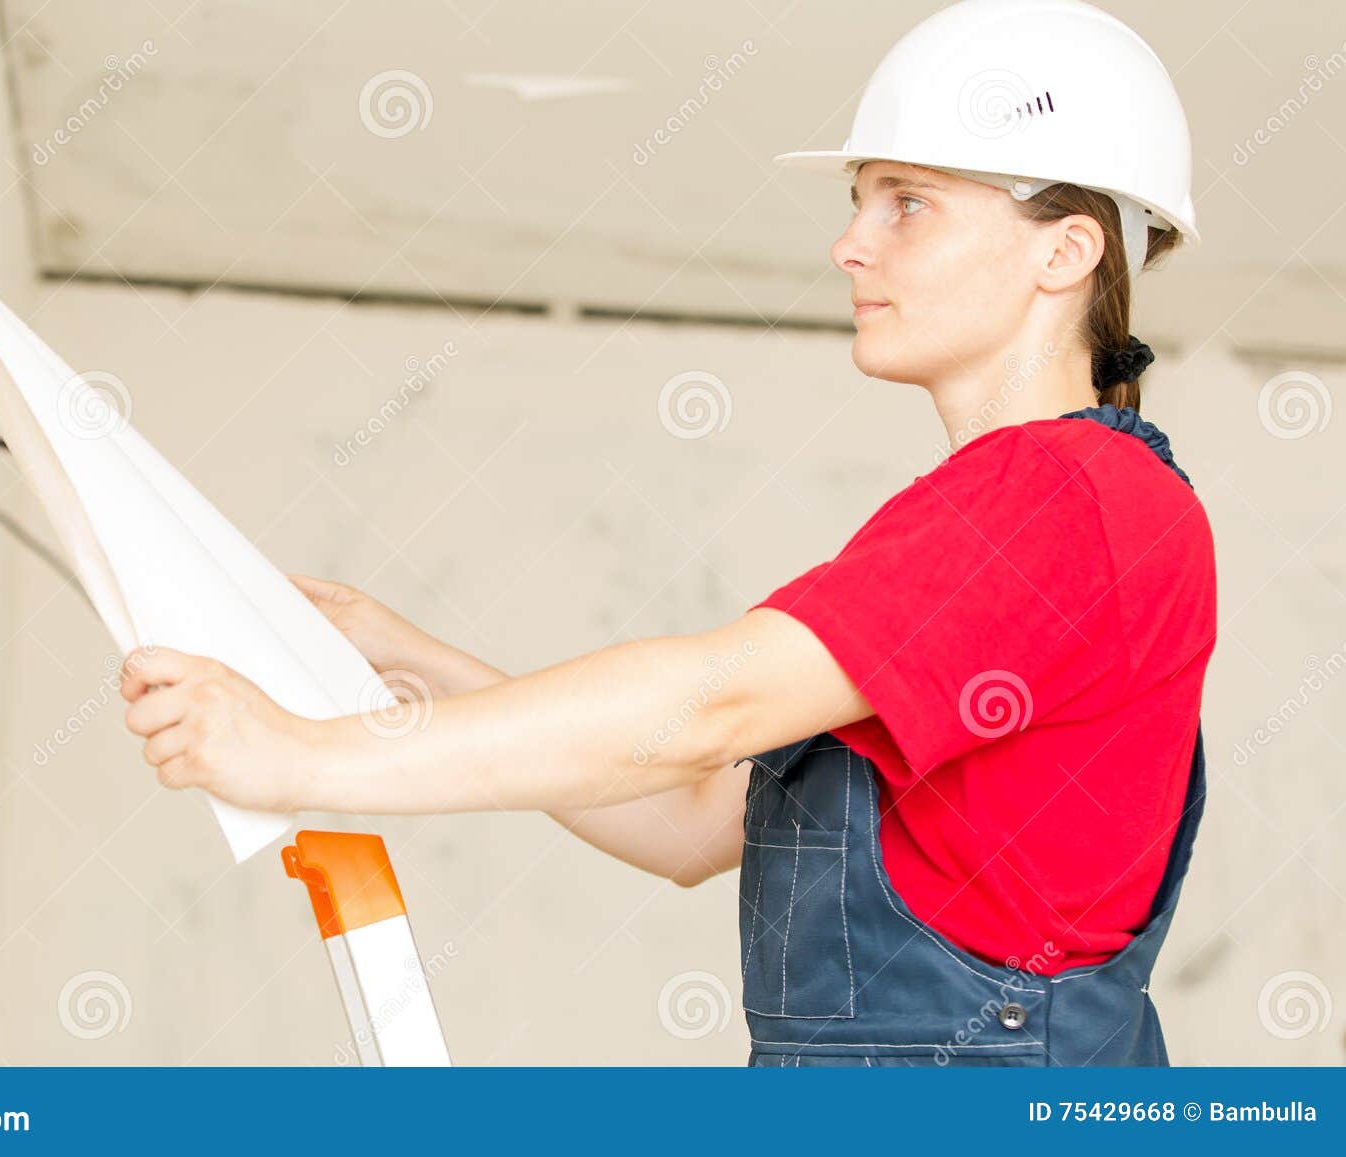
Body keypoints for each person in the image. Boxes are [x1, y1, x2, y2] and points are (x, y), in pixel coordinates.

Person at [119, 0, 1216, 1066]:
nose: (847, 243)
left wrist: (299, 753)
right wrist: (414, 659)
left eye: (907, 202)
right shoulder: (1015, 516)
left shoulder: (1062, 493)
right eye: (857, 199)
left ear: (1064, 250)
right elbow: (695, 822)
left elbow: (708, 704)